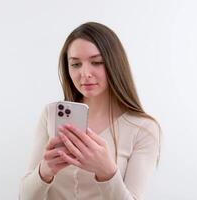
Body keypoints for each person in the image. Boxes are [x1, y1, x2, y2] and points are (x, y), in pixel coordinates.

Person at [19, 22, 161, 200]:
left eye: (97, 62)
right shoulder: (51, 114)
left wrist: (107, 173)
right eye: (76, 64)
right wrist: (44, 172)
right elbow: (25, 197)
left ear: (115, 64)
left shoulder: (143, 129)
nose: (85, 73)